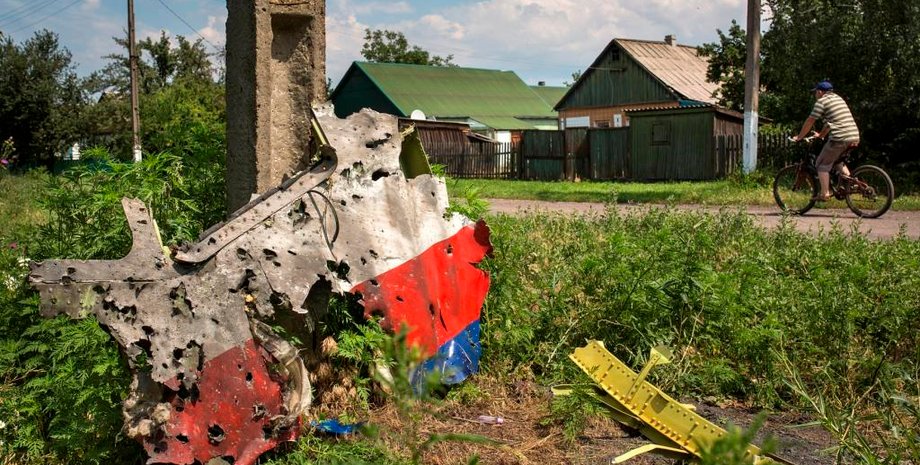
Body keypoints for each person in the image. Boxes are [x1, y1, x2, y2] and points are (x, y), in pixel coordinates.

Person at [791, 80, 860, 201]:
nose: (815, 95)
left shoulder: (821, 102)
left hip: (840, 138)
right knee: (837, 161)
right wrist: (821, 135)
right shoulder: (838, 99)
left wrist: (800, 137)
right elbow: (829, 124)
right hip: (854, 136)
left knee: (821, 164)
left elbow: (810, 121)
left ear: (819, 92)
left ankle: (824, 194)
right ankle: (851, 184)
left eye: (815, 93)